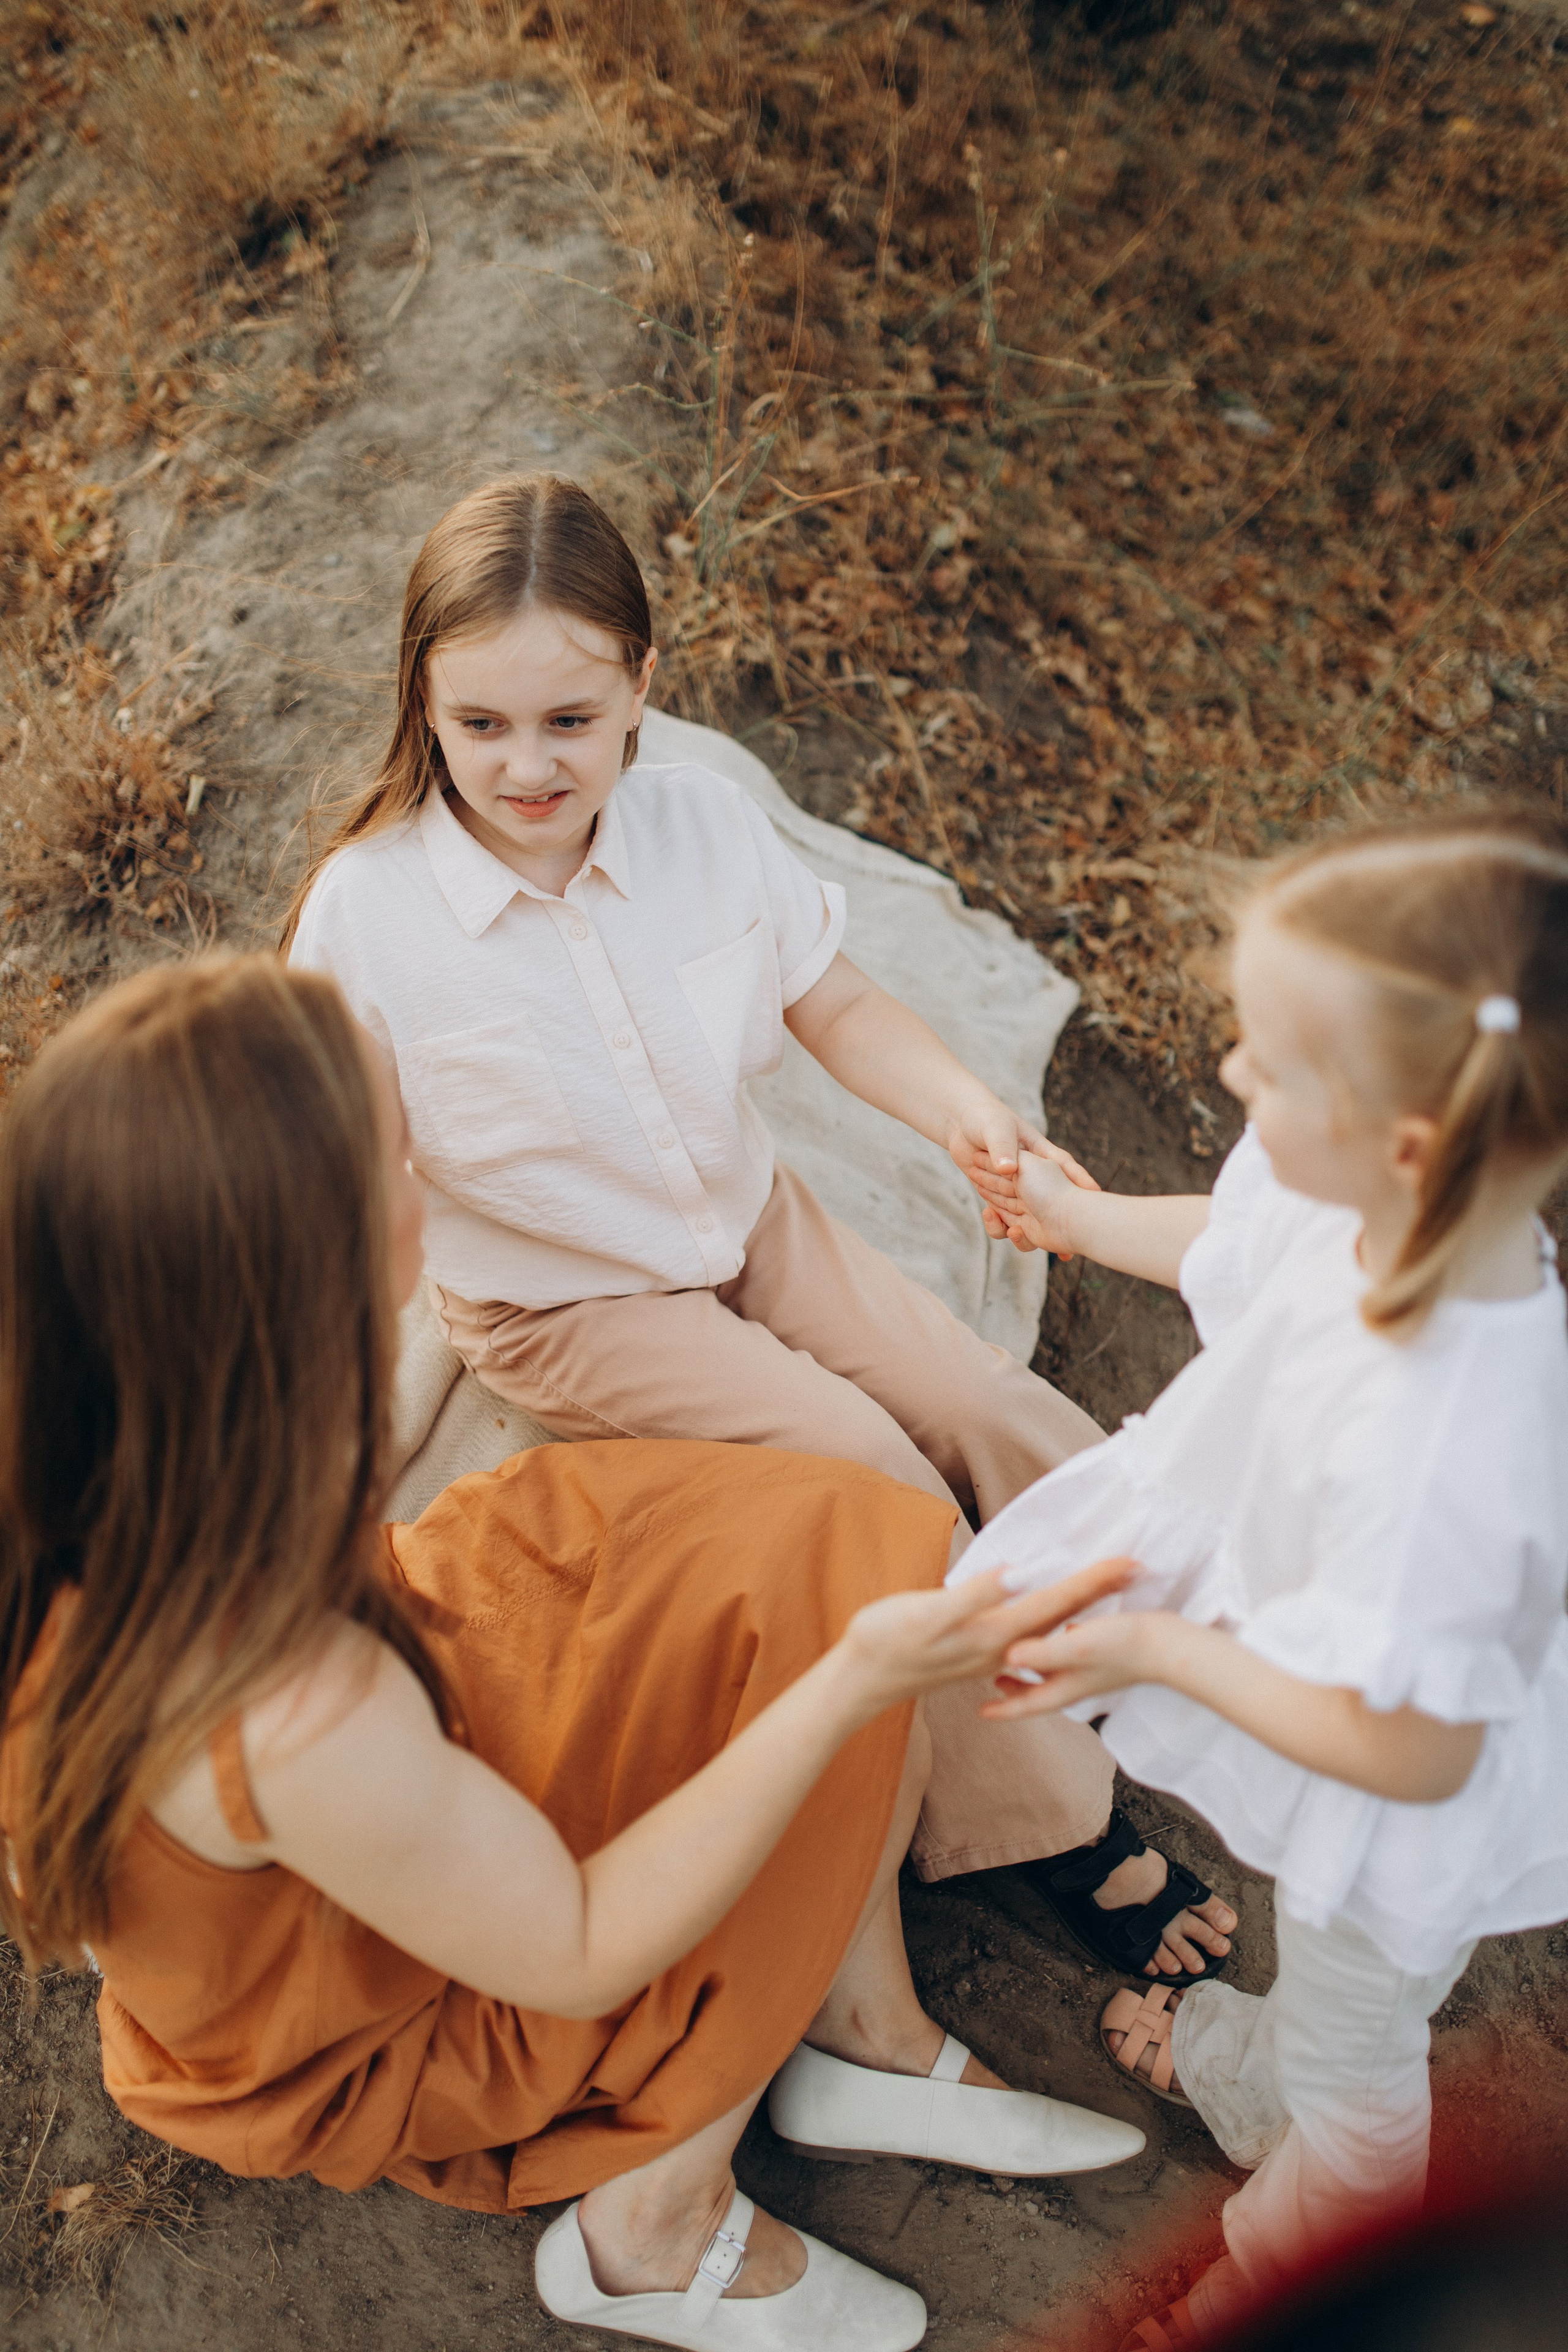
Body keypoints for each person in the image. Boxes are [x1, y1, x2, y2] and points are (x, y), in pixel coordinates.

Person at [0, 956, 1148, 2352]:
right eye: (399, 1158)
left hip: (379, 1779)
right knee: (815, 1704)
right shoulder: (290, 1701)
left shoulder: (106, 1422)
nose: (428, 1176)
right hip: (386, 1992)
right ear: (308, 1267)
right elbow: (581, 1949)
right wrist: (854, 1679)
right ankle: (649, 2229)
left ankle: (862, 2031)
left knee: (839, 1534)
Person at [281, 470, 1237, 1989]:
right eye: (480, 725)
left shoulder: (701, 826)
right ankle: (1049, 1818)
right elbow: (335, 1163)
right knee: (869, 1476)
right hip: (571, 1306)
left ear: (640, 685)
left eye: (570, 720)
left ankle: (1149, 1624)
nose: (526, 765)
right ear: (424, 703)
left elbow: (832, 1002)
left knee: (974, 1398)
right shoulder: (366, 915)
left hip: (750, 1216)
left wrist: (960, 1110)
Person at [959, 812, 1568, 2348]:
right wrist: (1077, 1220)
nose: (1231, 1072)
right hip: (1353, 1668)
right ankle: (1252, 2075)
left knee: (1361, 2072)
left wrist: (1159, 1651)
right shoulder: (1396, 1202)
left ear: (1403, 1141)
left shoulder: (1442, 1453)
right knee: (1334, 1975)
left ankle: (1271, 2277)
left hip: (1401, 1787)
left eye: (1268, 1062)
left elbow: (1409, 1752)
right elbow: (1242, 1247)